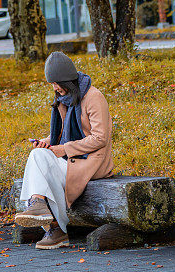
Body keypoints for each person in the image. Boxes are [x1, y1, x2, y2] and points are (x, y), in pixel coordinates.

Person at [15, 51, 113, 250]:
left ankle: (54, 226)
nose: (55, 88)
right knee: (37, 155)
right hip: (72, 158)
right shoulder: (65, 99)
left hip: (91, 161)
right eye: (52, 84)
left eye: (57, 83)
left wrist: (64, 149)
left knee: (41, 169)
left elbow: (100, 138)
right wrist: (47, 142)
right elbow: (63, 133)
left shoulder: (94, 97)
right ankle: (39, 205)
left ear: (68, 80)